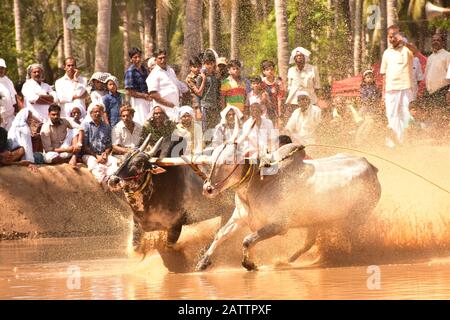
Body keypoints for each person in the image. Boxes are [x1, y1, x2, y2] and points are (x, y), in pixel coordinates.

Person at [380, 25, 418, 147]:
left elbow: (415, 51)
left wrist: (404, 41)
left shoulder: (407, 50)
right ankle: (392, 144)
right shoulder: (386, 53)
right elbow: (384, 75)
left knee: (405, 115)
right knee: (391, 115)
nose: (393, 39)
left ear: (399, 35)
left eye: (395, 36)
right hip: (390, 89)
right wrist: (383, 95)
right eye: (390, 36)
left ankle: (404, 143)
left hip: (405, 87)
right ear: (388, 37)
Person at [80, 102, 118, 185]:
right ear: (90, 113)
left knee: (115, 162)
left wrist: (105, 153)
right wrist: (96, 155)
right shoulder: (86, 125)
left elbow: (109, 145)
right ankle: (104, 182)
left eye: (100, 111)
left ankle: (110, 179)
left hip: (103, 155)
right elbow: (84, 146)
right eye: (95, 111)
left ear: (102, 113)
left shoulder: (106, 127)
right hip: (90, 154)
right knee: (93, 163)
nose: (97, 113)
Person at [146, 49, 189, 122]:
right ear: (156, 60)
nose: (163, 60)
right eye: (160, 58)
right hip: (163, 111)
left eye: (164, 57)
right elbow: (154, 95)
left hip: (175, 109)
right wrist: (171, 105)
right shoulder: (153, 74)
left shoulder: (170, 70)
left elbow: (177, 84)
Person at [423, 34, 450, 121]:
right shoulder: (430, 57)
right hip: (430, 92)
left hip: (443, 92)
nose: (435, 42)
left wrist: (449, 92)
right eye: (434, 40)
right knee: (432, 118)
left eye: (438, 40)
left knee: (442, 118)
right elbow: (427, 75)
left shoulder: (447, 55)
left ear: (443, 42)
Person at [125, 47, 152, 126]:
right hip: (138, 101)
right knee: (141, 122)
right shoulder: (130, 71)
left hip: (148, 99)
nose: (138, 59)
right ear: (131, 59)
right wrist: (144, 96)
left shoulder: (144, 69)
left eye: (139, 56)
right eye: (135, 57)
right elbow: (129, 91)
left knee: (149, 121)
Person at [197, 53, 221, 133]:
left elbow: (217, 93)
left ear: (214, 64)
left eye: (211, 64)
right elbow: (198, 95)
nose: (209, 66)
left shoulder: (215, 78)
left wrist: (218, 107)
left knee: (214, 129)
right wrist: (198, 109)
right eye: (207, 64)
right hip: (205, 107)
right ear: (204, 64)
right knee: (205, 130)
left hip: (214, 108)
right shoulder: (200, 77)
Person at [261, 60, 286, 126]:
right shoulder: (261, 82)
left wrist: (280, 115)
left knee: (276, 128)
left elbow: (280, 99)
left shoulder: (279, 82)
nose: (270, 71)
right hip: (265, 109)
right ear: (264, 72)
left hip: (277, 108)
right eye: (267, 70)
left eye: (272, 69)